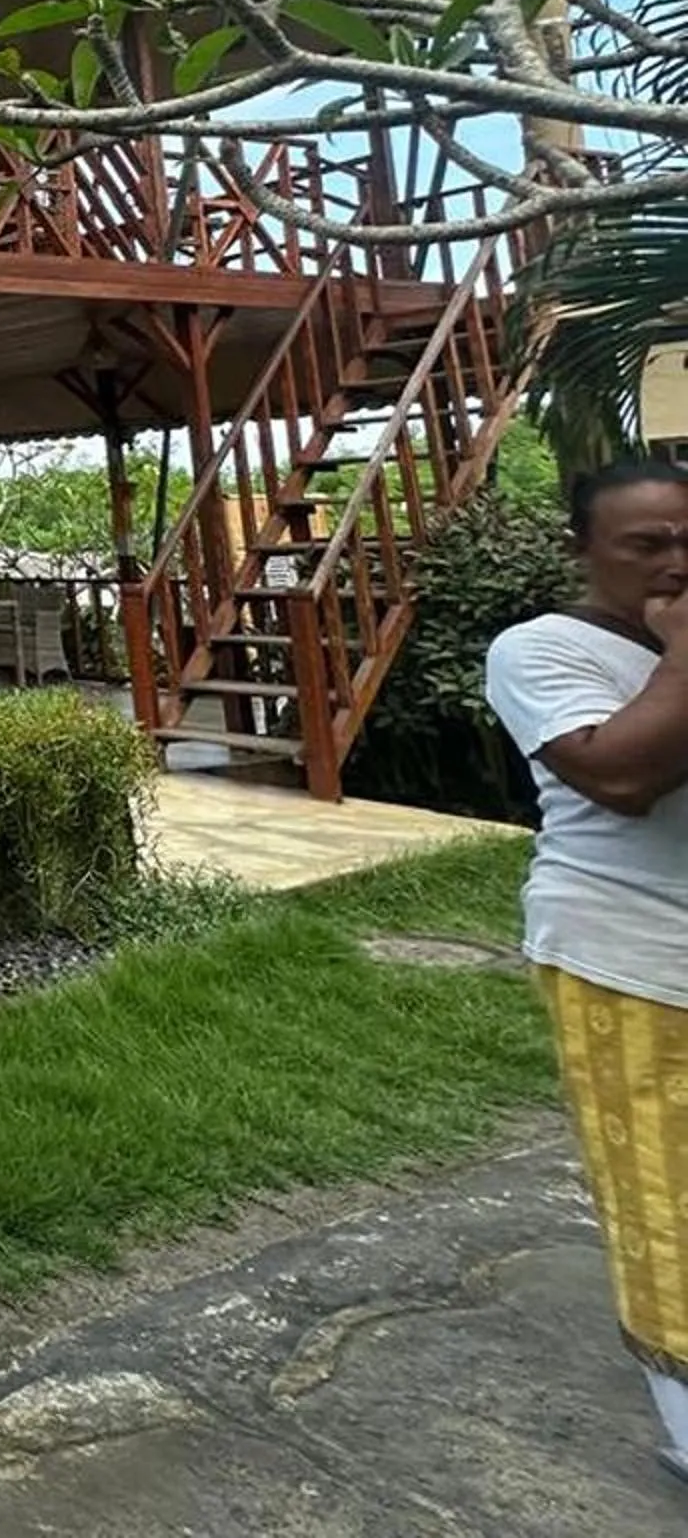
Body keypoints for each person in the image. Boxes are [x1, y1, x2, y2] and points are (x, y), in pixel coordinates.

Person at [484, 459, 688, 1488]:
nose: (675, 561)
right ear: (584, 550)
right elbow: (620, 775)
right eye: (645, 544)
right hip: (629, 959)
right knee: (666, 1196)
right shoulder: (542, 649)